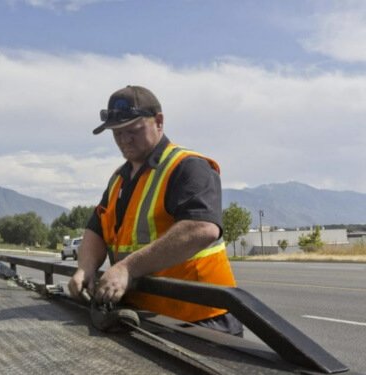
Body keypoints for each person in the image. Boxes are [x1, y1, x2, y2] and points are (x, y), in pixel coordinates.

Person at [68, 85, 243, 336]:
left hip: (199, 319)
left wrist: (126, 268)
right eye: (116, 133)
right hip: (145, 317)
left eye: (133, 130)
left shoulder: (188, 167)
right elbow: (97, 228)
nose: (124, 139)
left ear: (158, 121)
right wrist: (85, 268)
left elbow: (202, 228)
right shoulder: (119, 179)